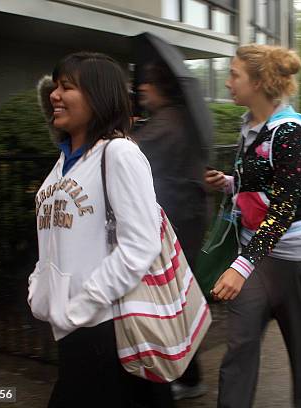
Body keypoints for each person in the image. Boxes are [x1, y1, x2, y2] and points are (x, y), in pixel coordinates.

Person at [29, 52, 164, 407]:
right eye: (55, 87)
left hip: (106, 329)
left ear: (98, 96)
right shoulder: (64, 161)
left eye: (67, 87)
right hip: (72, 330)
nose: (54, 95)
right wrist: (40, 288)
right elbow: (55, 240)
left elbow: (141, 245)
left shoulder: (119, 153)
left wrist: (84, 302)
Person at [204, 44, 301, 408]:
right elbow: (263, 185)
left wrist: (241, 266)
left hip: (293, 258)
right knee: (239, 349)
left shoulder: (289, 132)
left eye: (234, 75)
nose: (228, 83)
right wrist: (229, 182)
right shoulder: (251, 126)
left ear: (257, 82)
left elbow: (284, 206)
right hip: (255, 254)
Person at [132, 61, 209, 402]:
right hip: (186, 219)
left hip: (178, 222)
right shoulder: (176, 118)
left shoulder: (167, 123)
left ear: (160, 85)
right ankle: (188, 375)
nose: (141, 89)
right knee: (177, 299)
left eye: (146, 82)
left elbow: (132, 149)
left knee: (171, 302)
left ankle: (183, 375)